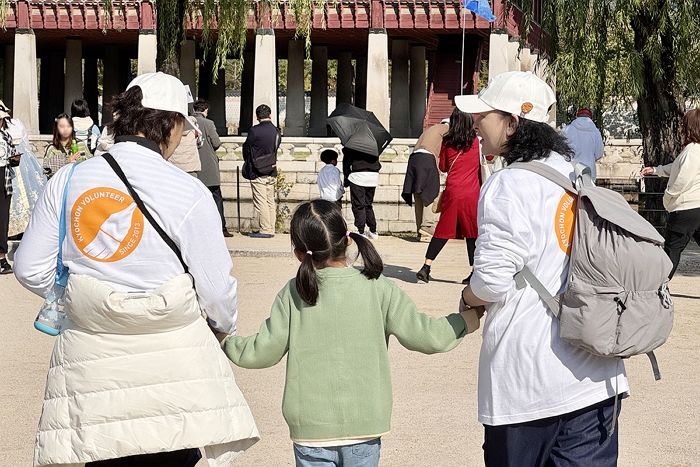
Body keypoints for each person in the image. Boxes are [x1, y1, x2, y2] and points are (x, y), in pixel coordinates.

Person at [13, 72, 259, 466]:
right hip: (172, 368)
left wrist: (82, 296)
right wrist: (222, 325)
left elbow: (29, 268)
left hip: (91, 367)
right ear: (173, 124)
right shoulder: (188, 192)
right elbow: (215, 291)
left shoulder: (69, 179)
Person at [222, 199, 483, 467]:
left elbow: (261, 351)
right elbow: (427, 336)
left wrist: (224, 341)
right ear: (347, 240)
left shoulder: (294, 292)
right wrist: (467, 319)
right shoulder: (378, 287)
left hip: (311, 427)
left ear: (299, 253)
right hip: (365, 423)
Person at [455, 71, 628, 467]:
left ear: (513, 123)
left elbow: (492, 282)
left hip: (529, 379)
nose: (477, 123)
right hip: (596, 375)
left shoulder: (507, 185)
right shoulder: (575, 175)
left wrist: (467, 296)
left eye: (486, 115)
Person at [416, 108, 481, 285]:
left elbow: (444, 166)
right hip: (472, 192)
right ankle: (474, 272)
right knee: (472, 233)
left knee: (443, 230)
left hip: (453, 191)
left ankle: (426, 266)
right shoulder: (475, 141)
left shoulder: (448, 141)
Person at [641, 108, 700, 279]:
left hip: (685, 208)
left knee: (671, 251)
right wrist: (655, 170)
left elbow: (682, 179)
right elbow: (676, 167)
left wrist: (667, 197)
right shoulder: (694, 150)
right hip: (697, 207)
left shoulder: (692, 151)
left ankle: (658, 285)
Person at [3, 106, 47, 238]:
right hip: (20, 159)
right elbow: (26, 143)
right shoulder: (17, 123)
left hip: (16, 159)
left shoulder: (15, 124)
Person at [402, 120, 448, 241]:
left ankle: (420, 229)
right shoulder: (447, 130)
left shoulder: (431, 129)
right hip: (427, 159)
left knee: (418, 193)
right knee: (430, 192)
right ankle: (427, 226)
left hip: (414, 159)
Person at [193, 99, 232, 237]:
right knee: (216, 197)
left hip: (193, 166)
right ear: (205, 110)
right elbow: (216, 142)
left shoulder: (188, 122)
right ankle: (221, 228)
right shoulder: (208, 123)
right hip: (208, 166)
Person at [242, 104, 281, 238]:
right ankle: (271, 227)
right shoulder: (276, 131)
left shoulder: (254, 131)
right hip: (271, 168)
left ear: (257, 116)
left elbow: (247, 148)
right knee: (270, 200)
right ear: (270, 115)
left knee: (261, 201)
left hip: (257, 170)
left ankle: (266, 229)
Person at [343, 147, 381, 239]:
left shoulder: (352, 145)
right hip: (373, 176)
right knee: (368, 204)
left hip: (358, 176)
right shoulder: (373, 144)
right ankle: (373, 230)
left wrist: (346, 178)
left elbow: (346, 163)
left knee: (358, 204)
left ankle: (361, 230)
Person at [0, 102, 20, 274]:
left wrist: (14, 159)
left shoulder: (6, 135)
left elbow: (11, 154)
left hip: (5, 177)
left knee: (2, 218)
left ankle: (1, 257)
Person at [561, 107, 605, 182]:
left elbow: (561, 151)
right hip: (589, 171)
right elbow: (599, 154)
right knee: (588, 192)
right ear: (590, 117)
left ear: (577, 116)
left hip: (570, 170)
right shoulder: (596, 132)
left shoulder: (566, 130)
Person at [43, 113, 80, 178]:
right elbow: (46, 169)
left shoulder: (80, 145)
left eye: (68, 126)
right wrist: (67, 161)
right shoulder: (52, 148)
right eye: (62, 126)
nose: (65, 129)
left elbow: (89, 164)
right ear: (56, 128)